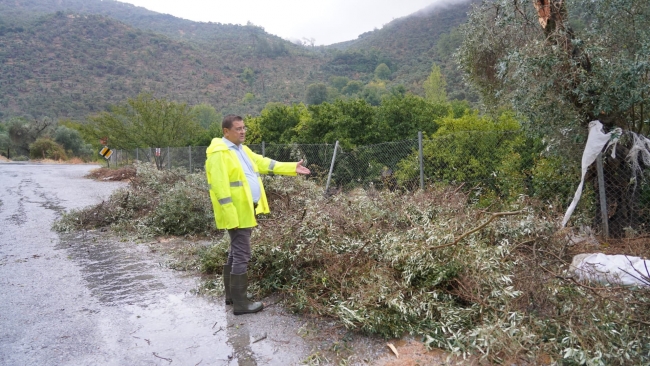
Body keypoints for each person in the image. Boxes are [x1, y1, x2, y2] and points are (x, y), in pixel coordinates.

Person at [205, 115, 310, 315]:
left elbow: (264, 163)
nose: (243, 131)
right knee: (242, 254)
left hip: (246, 208)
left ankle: (232, 296)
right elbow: (219, 188)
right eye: (238, 129)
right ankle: (241, 304)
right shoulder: (219, 153)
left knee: (235, 252)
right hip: (236, 212)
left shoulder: (242, 150)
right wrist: (231, 216)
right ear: (226, 131)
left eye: (244, 128)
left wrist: (291, 167)